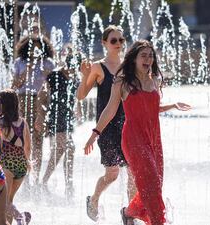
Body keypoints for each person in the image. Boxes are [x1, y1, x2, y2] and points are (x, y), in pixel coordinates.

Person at [84, 40, 190, 225]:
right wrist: (94, 134)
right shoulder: (122, 83)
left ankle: (128, 213)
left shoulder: (155, 80)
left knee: (155, 184)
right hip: (133, 139)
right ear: (134, 59)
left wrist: (172, 105)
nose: (148, 59)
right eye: (144, 55)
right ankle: (158, 221)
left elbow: (150, 107)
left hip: (154, 139)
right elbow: (109, 110)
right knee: (151, 187)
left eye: (151, 56)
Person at [76, 25, 136, 221]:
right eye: (113, 40)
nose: (118, 43)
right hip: (107, 127)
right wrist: (85, 76)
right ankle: (93, 199)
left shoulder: (129, 65)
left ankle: (130, 214)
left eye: (121, 40)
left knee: (133, 173)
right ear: (104, 43)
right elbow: (81, 95)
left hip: (128, 125)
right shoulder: (97, 67)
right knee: (112, 174)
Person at [35, 47, 79, 197]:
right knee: (70, 147)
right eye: (71, 68)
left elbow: (76, 97)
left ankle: (49, 182)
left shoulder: (75, 79)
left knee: (61, 150)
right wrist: (40, 116)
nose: (73, 72)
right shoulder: (54, 76)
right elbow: (41, 96)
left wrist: (76, 110)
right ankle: (68, 184)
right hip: (54, 117)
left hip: (66, 118)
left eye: (76, 69)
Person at [11, 35, 55, 185]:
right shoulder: (20, 62)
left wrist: (45, 74)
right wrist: (27, 69)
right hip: (23, 100)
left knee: (38, 139)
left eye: (38, 47)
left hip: (41, 101)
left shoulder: (48, 63)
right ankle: (24, 177)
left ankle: (36, 177)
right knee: (22, 139)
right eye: (32, 46)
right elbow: (14, 85)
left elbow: (54, 84)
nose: (35, 50)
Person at [0, 89, 32, 224]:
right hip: (21, 165)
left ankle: (20, 217)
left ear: (2, 105)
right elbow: (28, 146)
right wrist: (27, 161)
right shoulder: (23, 122)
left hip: (7, 164)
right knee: (9, 201)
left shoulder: (0, 122)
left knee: (4, 202)